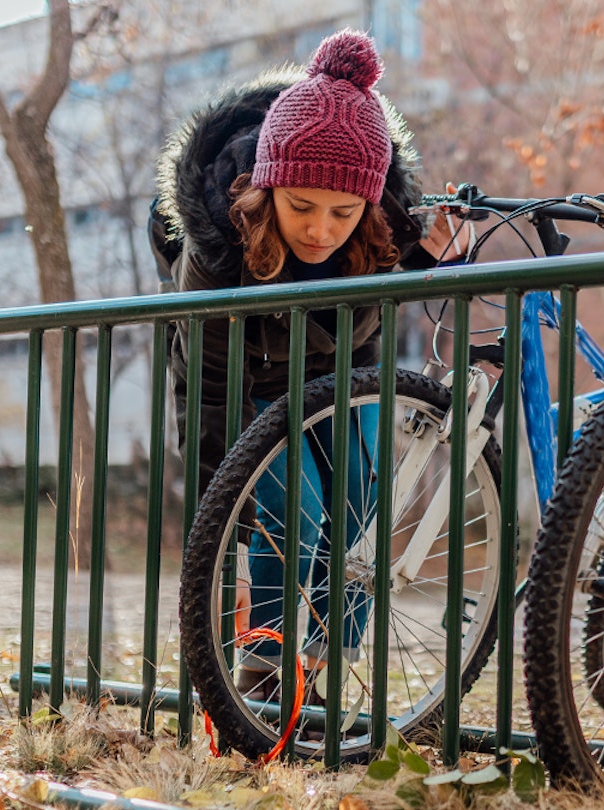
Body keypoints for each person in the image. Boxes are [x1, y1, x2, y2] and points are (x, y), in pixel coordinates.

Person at [150, 29, 442, 706]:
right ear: (265, 189)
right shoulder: (218, 251)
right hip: (241, 388)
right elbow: (209, 385)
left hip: (329, 382)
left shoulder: (377, 239)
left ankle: (316, 670)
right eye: (301, 206)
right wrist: (217, 512)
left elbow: (365, 344)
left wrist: (358, 429)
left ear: (369, 204)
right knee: (297, 509)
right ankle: (264, 667)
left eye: (343, 211)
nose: (320, 230)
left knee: (362, 509)